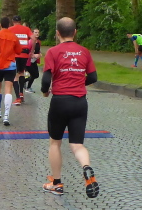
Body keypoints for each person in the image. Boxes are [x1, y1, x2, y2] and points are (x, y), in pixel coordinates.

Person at [41, 17, 98, 198]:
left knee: (55, 142)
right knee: (77, 144)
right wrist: (79, 83)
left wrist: (45, 92)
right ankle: (86, 168)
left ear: (57, 33)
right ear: (75, 32)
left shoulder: (53, 52)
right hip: (80, 102)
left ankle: (57, 183)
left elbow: (46, 79)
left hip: (60, 102)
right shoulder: (84, 51)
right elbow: (93, 77)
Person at [0, 17, 21, 126]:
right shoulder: (14, 37)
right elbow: (18, 50)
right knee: (8, 89)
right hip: (10, 65)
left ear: (0, 24)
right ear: (9, 25)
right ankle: (6, 115)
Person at [9, 15, 32, 105]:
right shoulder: (26, 29)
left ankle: (18, 98)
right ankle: (21, 93)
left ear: (13, 21)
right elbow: (33, 38)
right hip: (24, 54)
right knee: (21, 73)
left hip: (15, 54)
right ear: (20, 21)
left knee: (14, 76)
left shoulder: (10, 29)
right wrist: (32, 51)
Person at [25, 28, 42, 93]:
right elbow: (26, 52)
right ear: (32, 33)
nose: (37, 34)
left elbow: (38, 50)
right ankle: (27, 87)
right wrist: (34, 55)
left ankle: (23, 82)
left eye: (38, 32)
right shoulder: (30, 42)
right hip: (28, 62)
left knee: (36, 75)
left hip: (34, 61)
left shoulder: (39, 42)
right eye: (35, 32)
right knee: (33, 75)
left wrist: (39, 54)